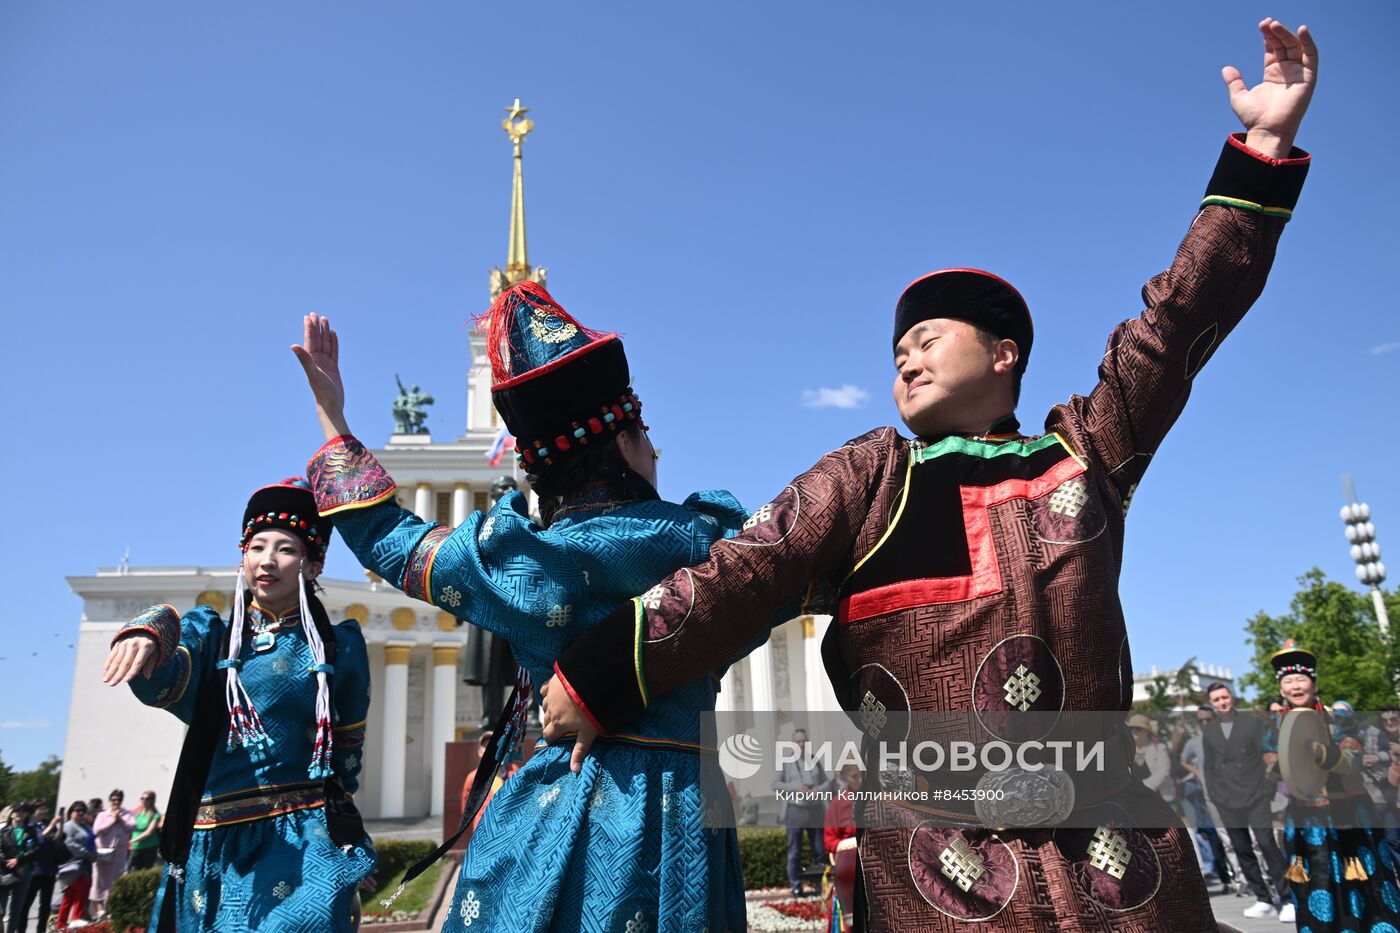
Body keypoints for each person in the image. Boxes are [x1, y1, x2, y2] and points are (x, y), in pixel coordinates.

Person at [542, 18, 1317, 931]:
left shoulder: (1083, 455)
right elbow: (742, 575)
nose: (905, 361)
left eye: (927, 341)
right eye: (897, 349)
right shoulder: (870, 477)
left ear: (1004, 356)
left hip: (1118, 870)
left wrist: (1261, 151)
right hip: (935, 874)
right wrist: (599, 673)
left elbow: (1176, 326)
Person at [294, 285, 768, 932]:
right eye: (647, 436)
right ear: (626, 443)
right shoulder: (703, 540)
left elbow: (389, 540)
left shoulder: (519, 563)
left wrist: (333, 420)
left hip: (556, 803)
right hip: (683, 808)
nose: (654, 451)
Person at [101, 478, 375, 932]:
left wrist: (346, 836)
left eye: (285, 549)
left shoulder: (338, 647)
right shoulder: (212, 636)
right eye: (257, 546)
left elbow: (345, 757)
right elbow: (163, 683)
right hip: (214, 842)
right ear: (242, 556)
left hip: (303, 839)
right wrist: (154, 628)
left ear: (311, 564)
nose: (268, 560)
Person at [1271, 641, 1400, 930]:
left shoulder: (1338, 719)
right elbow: (1268, 763)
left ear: (1314, 685)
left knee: (1367, 880)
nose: (1295, 685)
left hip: (1350, 815)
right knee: (1316, 881)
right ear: (1281, 689)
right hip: (1307, 819)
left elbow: (1352, 761)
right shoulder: (1275, 725)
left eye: (1301, 679)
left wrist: (1320, 752)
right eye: (1288, 681)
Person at [1203, 681, 1291, 920]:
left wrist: (1265, 788)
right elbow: (1209, 766)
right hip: (1226, 798)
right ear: (1212, 704)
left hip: (1254, 795)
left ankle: (1286, 898)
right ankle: (1263, 898)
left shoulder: (1252, 723)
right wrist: (1213, 793)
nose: (1222, 702)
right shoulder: (1209, 731)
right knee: (1242, 850)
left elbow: (1266, 756)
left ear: (1232, 697)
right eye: (1217, 700)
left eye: (1225, 697)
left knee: (1266, 844)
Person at [1179, 707, 1234, 893]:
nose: (1204, 724)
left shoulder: (1228, 737)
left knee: (1241, 836)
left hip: (1234, 792)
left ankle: (1248, 878)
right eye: (1200, 721)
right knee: (1218, 838)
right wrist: (1197, 772)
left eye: (1208, 720)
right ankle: (1228, 879)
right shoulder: (1194, 742)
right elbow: (1183, 760)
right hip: (1210, 796)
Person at [774, 728, 830, 897]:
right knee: (794, 851)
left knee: (819, 850)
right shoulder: (785, 762)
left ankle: (820, 885)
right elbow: (774, 784)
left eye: (804, 741)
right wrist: (794, 787)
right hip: (795, 810)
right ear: (792, 744)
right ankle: (796, 886)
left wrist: (817, 790)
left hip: (815, 810)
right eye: (798, 741)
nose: (801, 744)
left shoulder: (814, 760)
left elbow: (827, 783)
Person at [89, 789, 134, 919]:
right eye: (113, 799)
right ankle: (99, 908)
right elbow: (96, 830)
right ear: (110, 801)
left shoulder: (126, 814)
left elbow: (133, 826)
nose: (116, 802)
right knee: (100, 879)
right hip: (104, 851)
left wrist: (121, 820)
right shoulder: (102, 815)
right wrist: (112, 822)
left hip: (120, 851)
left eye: (118, 799)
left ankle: (111, 907)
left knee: (116, 878)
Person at [54, 801, 94, 933]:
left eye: (83, 810)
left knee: (72, 896)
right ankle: (70, 924)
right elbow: (69, 843)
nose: (80, 813)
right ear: (71, 812)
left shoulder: (85, 826)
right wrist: (86, 853)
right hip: (73, 865)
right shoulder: (68, 826)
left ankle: (62, 925)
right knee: (76, 897)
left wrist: (94, 853)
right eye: (77, 810)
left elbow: (92, 840)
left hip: (85, 865)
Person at [0, 802, 39, 933]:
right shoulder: (4, 831)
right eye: (17, 811)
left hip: (25, 873)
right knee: (1, 909)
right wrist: (12, 865)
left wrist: (18, 860)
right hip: (5, 872)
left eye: (23, 811)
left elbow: (34, 849)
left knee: (16, 910)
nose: (20, 814)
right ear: (11, 813)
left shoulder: (30, 831)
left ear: (27, 814)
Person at [1128, 714, 1177, 805]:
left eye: (1137, 729)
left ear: (1147, 731)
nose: (1133, 731)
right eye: (1131, 729)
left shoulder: (1159, 748)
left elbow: (1163, 772)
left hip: (1162, 799)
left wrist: (1143, 787)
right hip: (1139, 802)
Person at [128, 791, 162, 871]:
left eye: (147, 799)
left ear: (152, 801)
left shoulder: (155, 815)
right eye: (142, 798)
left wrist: (132, 840)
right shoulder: (136, 813)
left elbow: (149, 832)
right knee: (132, 870)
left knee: (145, 871)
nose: (144, 800)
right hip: (135, 847)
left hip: (149, 847)